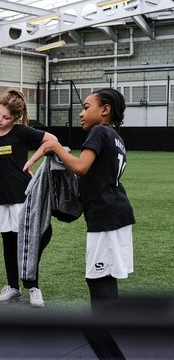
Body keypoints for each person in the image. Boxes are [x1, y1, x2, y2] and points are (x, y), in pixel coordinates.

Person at [40, 88, 135, 312]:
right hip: (117, 212)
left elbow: (81, 167)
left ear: (105, 110)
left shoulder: (99, 132)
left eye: (86, 107)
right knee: (106, 276)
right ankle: (109, 326)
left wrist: (56, 148)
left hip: (106, 215)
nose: (81, 114)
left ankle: (102, 328)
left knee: (97, 278)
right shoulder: (117, 137)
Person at [0, 88, 57, 307]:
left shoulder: (21, 131)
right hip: (0, 196)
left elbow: (52, 140)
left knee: (28, 243)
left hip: (21, 196)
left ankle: (33, 287)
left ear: (15, 117)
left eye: (6, 117)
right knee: (8, 243)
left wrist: (32, 161)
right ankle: (13, 288)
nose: (0, 119)